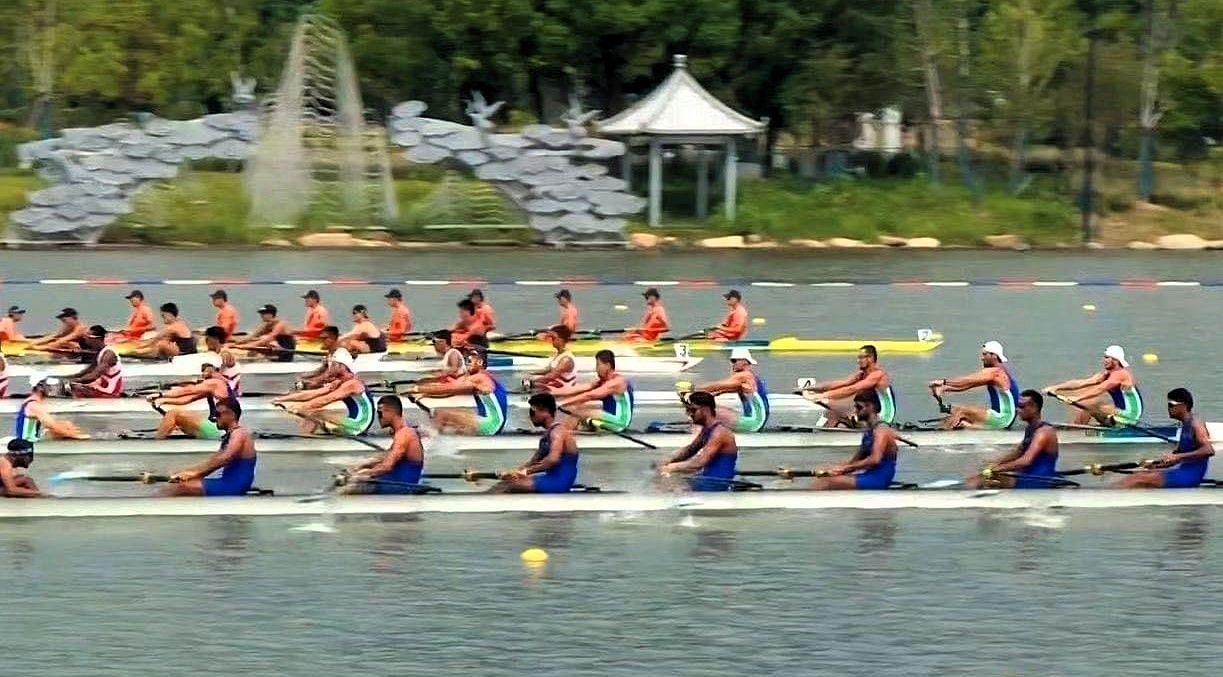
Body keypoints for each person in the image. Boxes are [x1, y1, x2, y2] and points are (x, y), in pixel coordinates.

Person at [1115, 388, 1214, 489]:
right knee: (1141, 474)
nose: (1168, 408)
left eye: (1171, 405)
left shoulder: (1196, 424)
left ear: (1183, 406)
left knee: (1138, 479)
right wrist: (1156, 465)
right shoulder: (1185, 424)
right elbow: (1177, 457)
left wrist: (1178, 457)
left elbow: (1209, 450)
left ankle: (1109, 496)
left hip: (1191, 476)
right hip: (1183, 471)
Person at [966, 390, 1060, 489]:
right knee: (984, 471)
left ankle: (963, 496)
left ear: (1034, 408)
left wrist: (996, 469)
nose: (1017, 410)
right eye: (1017, 406)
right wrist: (994, 463)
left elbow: (1025, 461)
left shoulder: (1044, 432)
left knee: (981, 478)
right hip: (1026, 476)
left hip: (1037, 481)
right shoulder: (1031, 429)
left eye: (1021, 406)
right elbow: (1018, 452)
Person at [164, 398, 256, 497]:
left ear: (231, 415)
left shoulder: (239, 434)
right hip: (229, 483)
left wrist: (193, 474)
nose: (214, 418)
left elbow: (225, 458)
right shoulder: (231, 436)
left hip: (233, 486)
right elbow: (212, 463)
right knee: (179, 484)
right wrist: (186, 473)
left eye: (217, 414)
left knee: (179, 488)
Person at [490, 393, 580, 494]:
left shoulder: (558, 432)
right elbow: (534, 461)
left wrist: (526, 472)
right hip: (549, 478)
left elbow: (552, 460)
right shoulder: (547, 435)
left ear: (544, 411)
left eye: (532, 411)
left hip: (559, 483)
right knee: (506, 482)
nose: (530, 416)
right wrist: (513, 473)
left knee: (507, 486)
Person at [811, 390, 899, 490]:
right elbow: (856, 460)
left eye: (859, 407)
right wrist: (836, 469)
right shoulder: (869, 431)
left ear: (871, 407)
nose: (855, 411)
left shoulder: (881, 430)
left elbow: (875, 460)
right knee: (826, 476)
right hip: (868, 475)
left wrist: (845, 468)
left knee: (825, 483)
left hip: (878, 479)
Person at [410, 349, 508, 436]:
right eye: (466, 359)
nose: (467, 362)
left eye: (470, 359)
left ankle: (434, 440)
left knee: (443, 415)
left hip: (490, 425)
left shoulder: (480, 378)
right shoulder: (480, 379)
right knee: (446, 415)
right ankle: (442, 434)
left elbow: (450, 388)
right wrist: (426, 394)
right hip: (493, 425)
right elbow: (451, 392)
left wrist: (418, 389)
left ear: (480, 362)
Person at [277, 349, 376, 436]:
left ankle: (305, 441)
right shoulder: (339, 382)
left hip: (359, 425)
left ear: (342, 367)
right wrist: (280, 399)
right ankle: (307, 436)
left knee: (314, 412)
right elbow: (313, 394)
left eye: (333, 364)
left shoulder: (352, 384)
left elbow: (326, 399)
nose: (329, 368)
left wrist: (300, 408)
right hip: (353, 423)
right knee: (313, 411)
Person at [341, 396, 425, 494]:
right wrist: (359, 467)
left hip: (402, 485)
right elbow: (384, 458)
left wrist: (362, 474)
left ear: (390, 412)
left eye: (380, 413)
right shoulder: (401, 432)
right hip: (393, 481)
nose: (378, 417)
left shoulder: (405, 434)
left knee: (349, 487)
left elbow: (387, 466)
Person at [656, 391, 739, 491]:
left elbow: (699, 463)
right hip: (707, 480)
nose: (689, 414)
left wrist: (672, 468)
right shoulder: (708, 430)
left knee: (668, 483)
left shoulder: (719, 433)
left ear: (705, 410)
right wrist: (668, 459)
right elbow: (690, 450)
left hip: (718, 484)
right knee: (663, 479)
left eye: (692, 410)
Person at [929, 341, 1021, 430]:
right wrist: (944, 388)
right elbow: (968, 385)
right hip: (999, 416)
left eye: (985, 354)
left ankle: (940, 434)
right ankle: (953, 427)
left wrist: (944, 382)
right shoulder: (994, 372)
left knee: (961, 411)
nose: (982, 358)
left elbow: (967, 380)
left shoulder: (996, 372)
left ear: (994, 356)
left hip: (1002, 418)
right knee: (955, 411)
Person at [800, 345, 897, 427]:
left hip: (883, 418)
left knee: (838, 405)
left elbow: (852, 389)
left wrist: (821, 396)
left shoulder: (878, 375)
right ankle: (820, 436)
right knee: (832, 413)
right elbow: (840, 384)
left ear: (870, 358)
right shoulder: (861, 374)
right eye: (858, 358)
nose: (858, 361)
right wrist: (809, 388)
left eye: (861, 357)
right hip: (869, 414)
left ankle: (820, 437)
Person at [1045, 345, 1143, 426]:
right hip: (1119, 414)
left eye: (1107, 357)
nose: (1104, 360)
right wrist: (1055, 388)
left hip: (1130, 416)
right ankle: (1078, 430)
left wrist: (1077, 398)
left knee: (1093, 404)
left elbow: (1100, 389)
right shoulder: (1106, 375)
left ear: (1116, 360)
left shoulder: (1121, 374)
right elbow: (1081, 383)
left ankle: (1078, 433)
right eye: (1104, 357)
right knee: (1087, 407)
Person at [686, 348, 770, 433]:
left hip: (753, 422)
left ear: (745, 361)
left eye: (734, 361)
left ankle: (696, 436)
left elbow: (718, 385)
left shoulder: (744, 375)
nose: (732, 364)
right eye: (731, 361)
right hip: (756, 421)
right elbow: (722, 390)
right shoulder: (750, 376)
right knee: (706, 408)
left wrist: (692, 389)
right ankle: (704, 432)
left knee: (705, 411)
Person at [550, 350, 634, 433]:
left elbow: (589, 396)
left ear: (607, 365)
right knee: (579, 409)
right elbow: (578, 389)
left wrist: (562, 403)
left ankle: (560, 433)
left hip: (619, 423)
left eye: (598, 365)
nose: (596, 369)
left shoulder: (617, 382)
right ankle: (564, 432)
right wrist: (551, 392)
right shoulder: (603, 381)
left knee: (581, 411)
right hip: (609, 419)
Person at [151, 363, 236, 440]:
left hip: (219, 430)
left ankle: (157, 443)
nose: (203, 374)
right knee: (175, 416)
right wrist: (163, 401)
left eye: (205, 371)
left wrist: (160, 395)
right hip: (218, 429)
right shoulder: (214, 388)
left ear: (214, 371)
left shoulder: (216, 382)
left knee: (173, 414)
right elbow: (187, 399)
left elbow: (189, 390)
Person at [15, 374, 90, 440]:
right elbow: (53, 426)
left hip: (28, 442)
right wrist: (77, 436)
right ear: (40, 388)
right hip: (27, 446)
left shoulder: (33, 402)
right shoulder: (34, 405)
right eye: (48, 386)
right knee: (63, 429)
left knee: (65, 425)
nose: (51, 388)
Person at [67, 325, 124, 398]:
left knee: (76, 388)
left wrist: (76, 380)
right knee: (71, 386)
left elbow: (95, 375)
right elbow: (89, 370)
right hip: (102, 388)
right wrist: (68, 378)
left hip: (111, 392)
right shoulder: (99, 352)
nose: (86, 339)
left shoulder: (109, 354)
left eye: (88, 337)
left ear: (97, 339)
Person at [232, 304, 297, 362]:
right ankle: (250, 362)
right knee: (254, 348)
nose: (261, 315)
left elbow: (268, 339)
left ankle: (255, 361)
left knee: (262, 340)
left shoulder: (281, 324)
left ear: (270, 314)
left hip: (286, 350)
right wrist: (235, 344)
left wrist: (249, 346)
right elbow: (251, 336)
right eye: (261, 313)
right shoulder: (266, 324)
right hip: (278, 349)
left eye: (263, 313)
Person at [526, 325, 577, 390]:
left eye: (553, 338)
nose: (551, 340)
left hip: (562, 393)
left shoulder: (566, 360)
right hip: (554, 388)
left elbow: (551, 376)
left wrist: (531, 382)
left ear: (561, 340)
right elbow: (548, 370)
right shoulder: (559, 355)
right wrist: (530, 373)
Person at [203, 326, 241, 396]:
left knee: (209, 372)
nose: (206, 341)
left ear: (215, 339)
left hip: (230, 384)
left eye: (207, 339)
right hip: (227, 381)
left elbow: (228, 362)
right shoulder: (217, 352)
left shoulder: (224, 353)